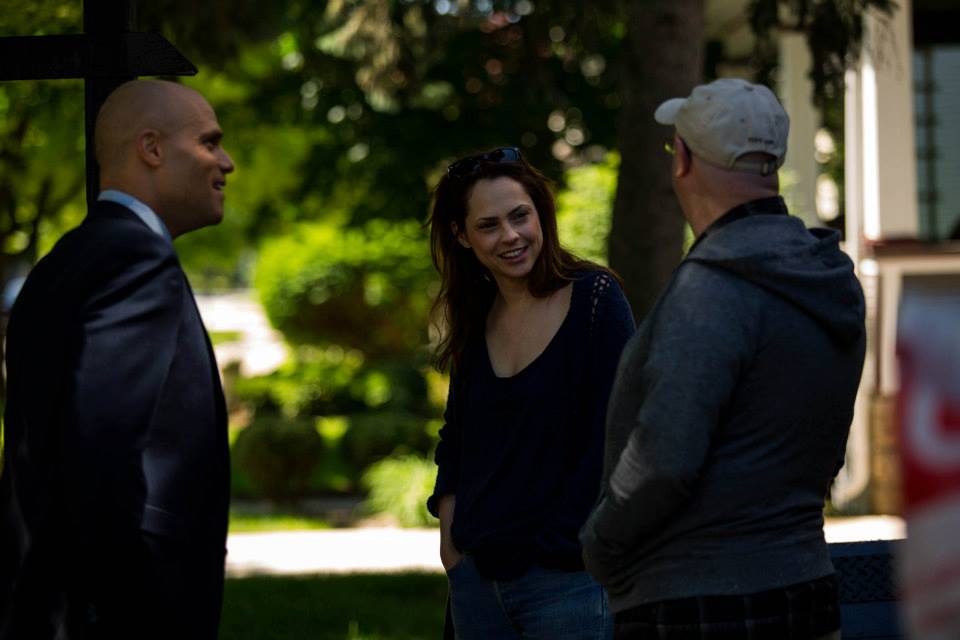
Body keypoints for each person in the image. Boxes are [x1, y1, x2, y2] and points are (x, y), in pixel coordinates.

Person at [580, 78, 866, 640]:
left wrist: (599, 545)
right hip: (806, 588)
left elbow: (663, 460)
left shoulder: (710, 291)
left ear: (683, 159)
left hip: (697, 604)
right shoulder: (829, 280)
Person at [0, 79, 235, 640]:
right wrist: (113, 605)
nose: (226, 162)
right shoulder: (137, 257)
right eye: (208, 142)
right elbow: (100, 442)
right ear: (151, 148)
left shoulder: (61, 262)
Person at [426, 147, 635, 639]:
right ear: (462, 236)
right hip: (477, 579)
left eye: (520, 216)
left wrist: (569, 542)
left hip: (569, 580)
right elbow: (457, 440)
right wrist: (451, 543)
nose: (511, 235)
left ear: (541, 213)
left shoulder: (595, 299)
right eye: (489, 225)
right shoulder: (476, 315)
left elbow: (618, 430)